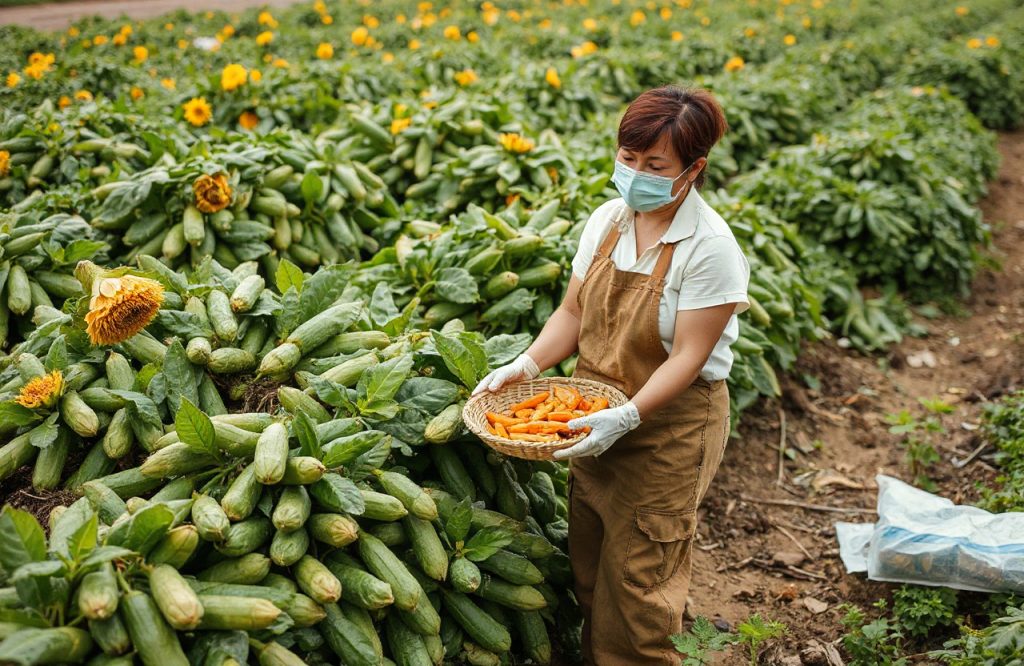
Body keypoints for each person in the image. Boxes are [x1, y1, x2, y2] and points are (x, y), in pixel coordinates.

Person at [473, 85, 751, 665]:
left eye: (655, 166)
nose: (636, 174)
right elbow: (574, 312)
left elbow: (687, 358)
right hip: (590, 416)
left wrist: (627, 416)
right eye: (628, 159)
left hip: (667, 430)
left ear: (693, 170)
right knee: (592, 559)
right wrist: (524, 364)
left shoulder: (710, 248)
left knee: (639, 583)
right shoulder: (608, 222)